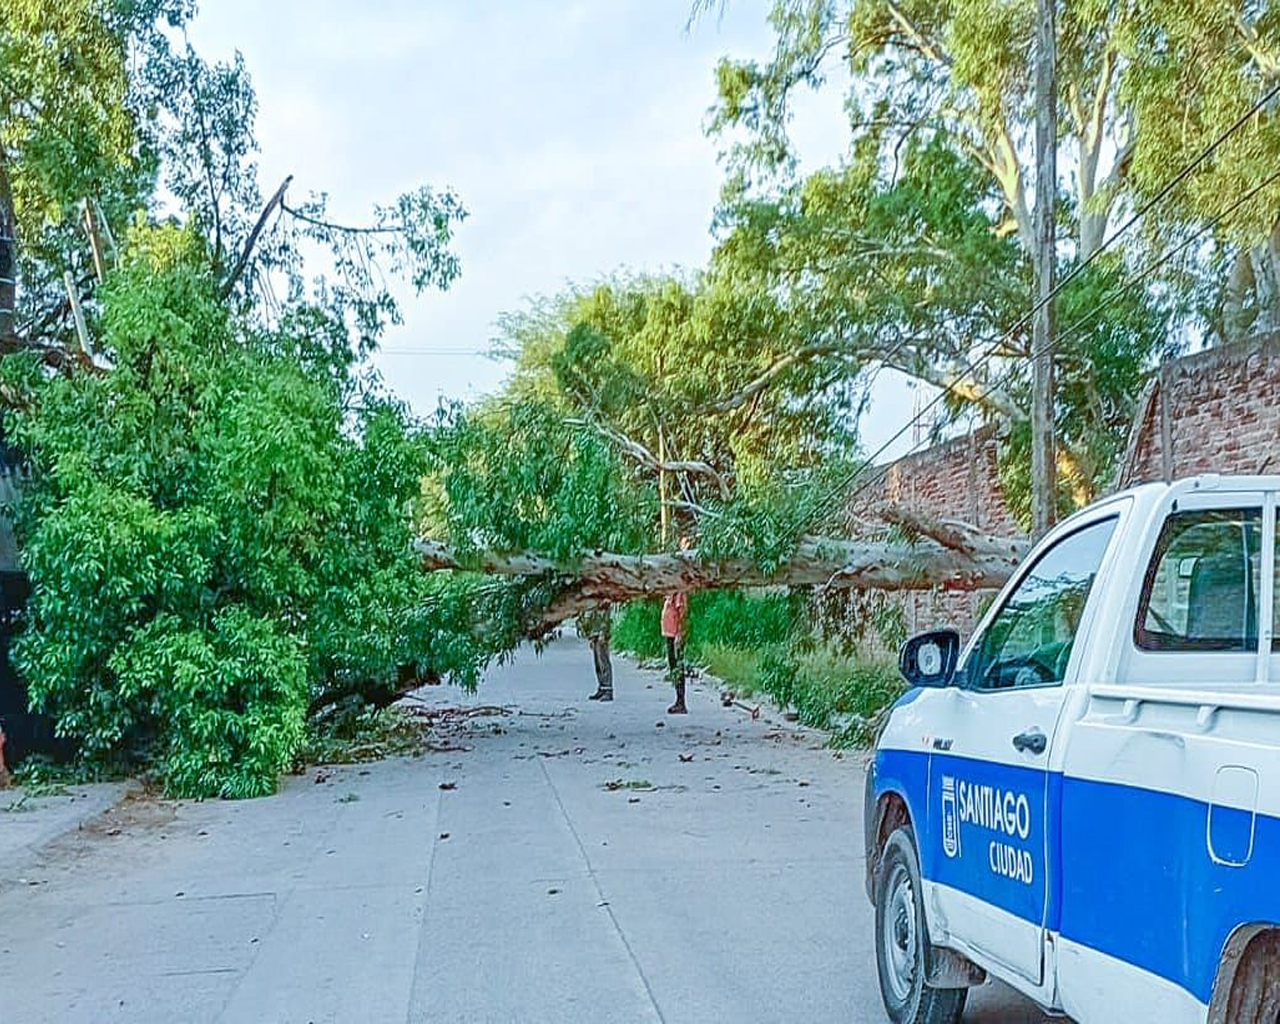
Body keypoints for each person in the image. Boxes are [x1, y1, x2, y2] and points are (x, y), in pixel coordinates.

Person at [661, 540, 691, 714]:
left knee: (677, 666)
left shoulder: (679, 589)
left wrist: (680, 634)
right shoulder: (672, 589)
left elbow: (682, 613)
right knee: (673, 665)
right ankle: (678, 699)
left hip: (675, 634)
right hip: (669, 632)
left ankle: (681, 701)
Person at [577, 603, 614, 702]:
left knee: (603, 662)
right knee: (597, 663)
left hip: (601, 633)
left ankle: (608, 690)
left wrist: (603, 632)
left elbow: (606, 616)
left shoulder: (604, 600)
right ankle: (602, 688)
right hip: (594, 633)